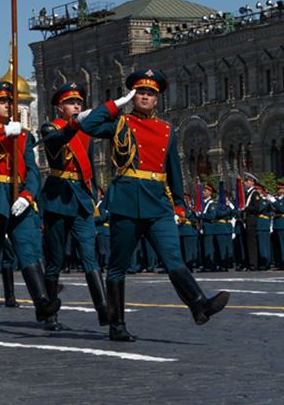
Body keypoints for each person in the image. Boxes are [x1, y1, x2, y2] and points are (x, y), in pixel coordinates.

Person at [80, 68, 229, 341]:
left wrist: (180, 204)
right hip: (127, 200)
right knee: (118, 265)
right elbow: (87, 126)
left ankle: (199, 304)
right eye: (140, 93)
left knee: (173, 258)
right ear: (133, 96)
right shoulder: (119, 123)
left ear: (157, 99)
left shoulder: (167, 129)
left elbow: (173, 168)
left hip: (159, 203)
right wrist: (116, 104)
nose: (145, 97)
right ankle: (116, 325)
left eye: (150, 93)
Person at [0, 81, 59, 333]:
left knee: (28, 250)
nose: (8, 105)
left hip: (19, 198)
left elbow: (31, 170)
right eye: (1, 102)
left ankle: (42, 303)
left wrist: (28, 195)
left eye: (10, 101)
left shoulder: (25, 135)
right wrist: (5, 130)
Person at [38, 82, 107, 330]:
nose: (76, 106)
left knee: (90, 256)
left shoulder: (84, 133)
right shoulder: (50, 128)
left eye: (79, 102)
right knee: (56, 259)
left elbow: (88, 165)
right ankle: (50, 313)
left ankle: (103, 310)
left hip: (80, 198)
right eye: (71, 103)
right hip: (58, 198)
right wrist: (75, 126)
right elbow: (59, 139)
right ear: (60, 107)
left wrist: (95, 192)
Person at [271, 182, 284, 270]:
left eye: (281, 189)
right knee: (277, 246)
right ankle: (278, 263)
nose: (279, 190)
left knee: (283, 246)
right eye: (278, 189)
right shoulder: (277, 198)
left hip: (283, 224)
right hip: (276, 224)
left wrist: (274, 202)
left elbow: (282, 209)